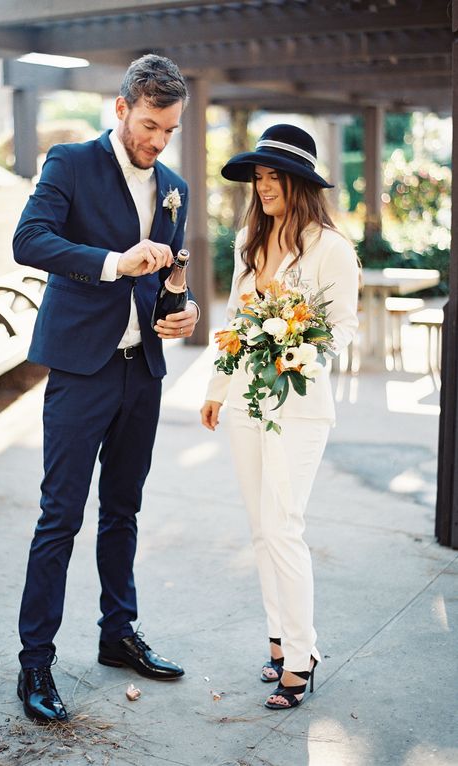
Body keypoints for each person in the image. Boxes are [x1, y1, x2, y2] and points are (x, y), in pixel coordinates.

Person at [13, 54, 199, 723]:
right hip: (80, 370)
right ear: (120, 109)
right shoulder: (70, 162)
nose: (157, 140)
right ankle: (36, 660)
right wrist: (110, 263)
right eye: (149, 124)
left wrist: (184, 308)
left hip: (140, 373)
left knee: (123, 509)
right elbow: (28, 240)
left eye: (169, 130)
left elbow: (170, 274)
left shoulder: (173, 186)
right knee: (60, 515)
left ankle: (118, 634)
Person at [200, 124, 359, 710]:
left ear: (299, 183)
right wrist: (217, 387)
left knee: (284, 526)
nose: (264, 187)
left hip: (300, 408)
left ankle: (302, 654)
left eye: (273, 177)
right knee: (261, 530)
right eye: (258, 177)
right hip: (245, 403)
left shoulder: (332, 248)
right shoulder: (251, 239)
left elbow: (342, 326)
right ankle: (277, 638)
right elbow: (238, 322)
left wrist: (302, 348)